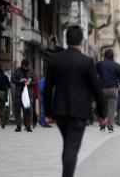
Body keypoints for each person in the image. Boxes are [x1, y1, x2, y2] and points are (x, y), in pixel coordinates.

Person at [43, 25, 107, 177]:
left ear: (66, 41)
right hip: (79, 112)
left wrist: (48, 112)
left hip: (60, 112)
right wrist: (102, 113)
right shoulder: (86, 61)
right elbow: (96, 88)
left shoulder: (55, 59)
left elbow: (47, 87)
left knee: (68, 145)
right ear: (82, 42)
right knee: (72, 148)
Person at [96, 49, 120, 133]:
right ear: (113, 56)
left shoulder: (99, 64)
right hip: (113, 89)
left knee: (102, 107)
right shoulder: (117, 66)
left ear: (104, 55)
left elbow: (92, 72)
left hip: (102, 89)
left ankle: (102, 126)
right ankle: (110, 127)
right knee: (111, 109)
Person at [11, 59, 37, 132]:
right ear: (22, 64)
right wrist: (20, 81)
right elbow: (12, 79)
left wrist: (29, 83)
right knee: (18, 110)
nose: (25, 68)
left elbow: (35, 82)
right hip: (19, 93)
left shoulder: (31, 71)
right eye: (24, 66)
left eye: (27, 67)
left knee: (28, 110)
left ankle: (28, 126)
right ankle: (18, 126)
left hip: (28, 94)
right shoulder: (17, 71)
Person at [0, 63, 11, 129]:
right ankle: (3, 122)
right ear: (1, 68)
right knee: (2, 108)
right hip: (3, 93)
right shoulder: (5, 76)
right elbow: (9, 86)